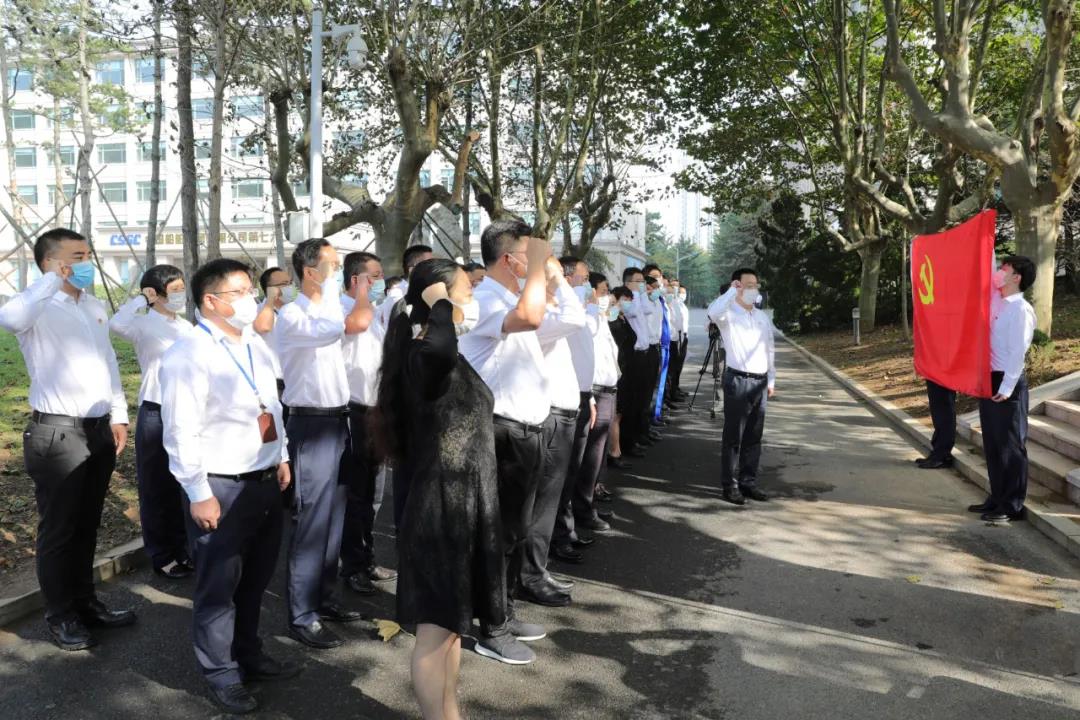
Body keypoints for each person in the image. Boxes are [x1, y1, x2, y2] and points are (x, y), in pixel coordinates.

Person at [159, 258, 299, 714]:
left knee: (255, 580)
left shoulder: (254, 343)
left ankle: (248, 654)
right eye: (238, 293)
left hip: (263, 478)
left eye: (249, 290)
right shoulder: (188, 354)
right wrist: (198, 492)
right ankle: (221, 673)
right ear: (211, 301)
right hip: (221, 486)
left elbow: (271, 407)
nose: (250, 300)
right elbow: (180, 430)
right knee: (218, 587)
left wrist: (280, 456)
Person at [376, 258, 507, 720]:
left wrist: (440, 306)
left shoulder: (440, 349)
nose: (472, 293)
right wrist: (439, 304)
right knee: (435, 633)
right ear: (438, 295)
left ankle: (450, 713)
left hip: (464, 503)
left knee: (451, 629)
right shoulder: (425, 352)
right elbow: (439, 348)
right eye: (464, 287)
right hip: (440, 508)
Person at [0, 228, 134, 651]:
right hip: (57, 433)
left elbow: (108, 362)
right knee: (59, 530)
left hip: (98, 428)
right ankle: (60, 616)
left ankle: (86, 602)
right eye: (77, 257)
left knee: (87, 523)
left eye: (87, 255)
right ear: (50, 262)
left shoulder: (93, 306)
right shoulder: (35, 308)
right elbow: (9, 319)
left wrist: (119, 414)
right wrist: (48, 280)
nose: (86, 263)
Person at [458, 220, 552, 665]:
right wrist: (538, 267)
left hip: (525, 431)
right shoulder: (483, 301)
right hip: (499, 431)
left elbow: (550, 316)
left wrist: (543, 272)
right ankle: (491, 628)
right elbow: (532, 317)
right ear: (508, 258)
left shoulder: (510, 297)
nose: (536, 263)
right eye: (527, 255)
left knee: (514, 531)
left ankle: (504, 610)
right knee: (495, 534)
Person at [277, 238, 364, 650]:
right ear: (310, 272)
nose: (338, 271)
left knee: (334, 518)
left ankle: (325, 598)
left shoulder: (328, 310)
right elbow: (353, 323)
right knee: (311, 521)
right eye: (333, 264)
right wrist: (359, 293)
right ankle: (302, 613)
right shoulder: (293, 315)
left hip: (338, 420)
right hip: (310, 424)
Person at [108, 264, 197, 580]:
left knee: (184, 483)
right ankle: (162, 554)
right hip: (156, 411)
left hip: (187, 411)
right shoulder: (142, 324)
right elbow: (116, 324)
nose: (181, 295)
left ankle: (183, 549)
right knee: (157, 487)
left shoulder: (187, 327)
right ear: (155, 294)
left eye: (182, 288)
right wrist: (140, 300)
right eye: (174, 290)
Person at [521, 255, 586, 598]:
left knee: (548, 501)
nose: (563, 281)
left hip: (562, 414)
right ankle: (530, 575)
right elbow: (576, 317)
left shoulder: (546, 312)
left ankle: (536, 569)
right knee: (541, 504)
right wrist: (556, 279)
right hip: (550, 416)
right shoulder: (536, 316)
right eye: (556, 275)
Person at [338, 251, 397, 596]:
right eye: (372, 276)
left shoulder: (373, 312)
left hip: (377, 411)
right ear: (355, 279)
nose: (379, 282)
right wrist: (362, 294)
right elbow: (356, 325)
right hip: (354, 411)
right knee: (356, 495)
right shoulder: (344, 310)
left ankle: (367, 557)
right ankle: (352, 565)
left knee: (373, 494)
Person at [969, 256, 1037, 523]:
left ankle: (1011, 504)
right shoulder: (999, 304)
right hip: (990, 379)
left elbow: (1017, 352)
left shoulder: (1021, 310)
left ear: (1016, 277)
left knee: (1010, 445)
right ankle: (997, 497)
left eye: (1004, 269)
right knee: (993, 443)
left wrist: (1007, 387)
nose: (998, 272)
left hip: (1007, 382)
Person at [707, 268, 776, 506]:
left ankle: (748, 481)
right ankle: (730, 485)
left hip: (760, 382)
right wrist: (730, 293)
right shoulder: (728, 315)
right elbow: (713, 312)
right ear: (737, 285)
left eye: (756, 285)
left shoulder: (761, 317)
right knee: (733, 437)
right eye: (748, 285)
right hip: (737, 381)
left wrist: (771, 379)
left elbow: (769, 348)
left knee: (754, 437)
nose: (753, 289)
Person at [563, 271, 620, 539]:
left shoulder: (598, 316)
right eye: (603, 291)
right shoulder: (581, 316)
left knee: (595, 457)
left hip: (603, 390)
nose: (606, 296)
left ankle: (586, 506)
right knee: (583, 459)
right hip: (589, 391)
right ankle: (578, 513)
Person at [617, 267, 655, 456]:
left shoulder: (639, 299)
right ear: (627, 283)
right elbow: (632, 312)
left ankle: (636, 436)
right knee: (631, 401)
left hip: (644, 354)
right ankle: (627, 442)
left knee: (641, 399)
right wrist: (639, 295)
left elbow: (648, 309)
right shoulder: (626, 299)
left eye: (643, 281)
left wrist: (642, 294)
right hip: (633, 356)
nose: (642, 285)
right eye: (638, 281)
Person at [374, 244, 434, 337]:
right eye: (429, 265)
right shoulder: (398, 295)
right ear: (412, 270)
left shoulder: (423, 292)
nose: (434, 269)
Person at [607, 285, 637, 468]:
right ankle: (614, 452)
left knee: (621, 411)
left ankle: (616, 449)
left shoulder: (622, 318)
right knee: (616, 413)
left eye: (630, 300)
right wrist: (613, 311)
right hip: (616, 369)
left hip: (626, 368)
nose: (628, 303)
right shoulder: (612, 319)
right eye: (624, 299)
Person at [916, 380, 957, 469]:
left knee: (944, 408)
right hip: (936, 374)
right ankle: (936, 453)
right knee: (937, 410)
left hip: (944, 374)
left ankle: (942, 456)